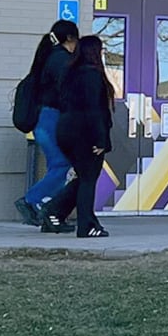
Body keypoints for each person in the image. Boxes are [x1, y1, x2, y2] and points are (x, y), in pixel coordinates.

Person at [13, 16, 80, 230]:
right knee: (62, 164)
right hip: (51, 118)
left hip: (42, 119)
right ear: (70, 38)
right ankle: (33, 201)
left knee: (56, 164)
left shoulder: (47, 57)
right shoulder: (60, 59)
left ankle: (51, 212)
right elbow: (67, 91)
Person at [55, 34, 116, 239]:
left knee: (83, 177)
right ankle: (87, 225)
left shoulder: (70, 74)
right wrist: (101, 140)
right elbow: (94, 110)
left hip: (66, 131)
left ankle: (54, 210)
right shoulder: (92, 75)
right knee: (89, 179)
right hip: (85, 134)